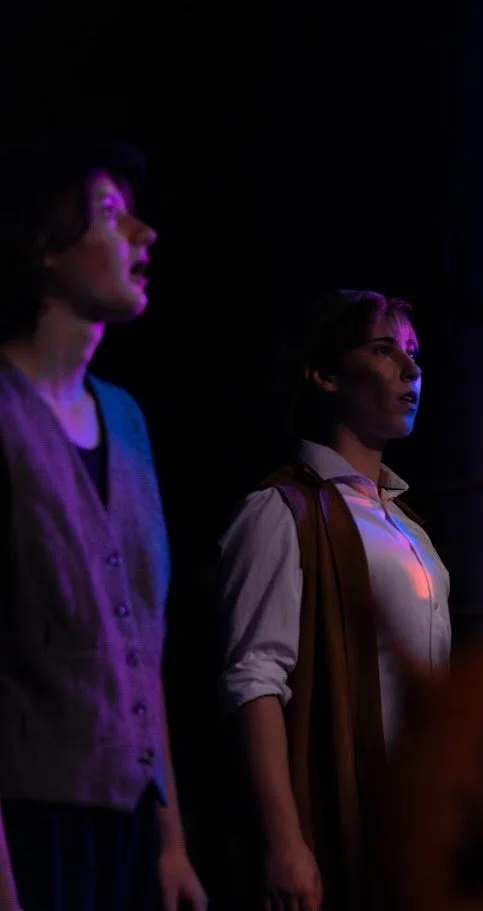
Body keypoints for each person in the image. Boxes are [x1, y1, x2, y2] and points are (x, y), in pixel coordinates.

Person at [0, 140, 207, 911]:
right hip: (34, 825)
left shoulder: (125, 417)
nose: (142, 236)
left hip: (127, 825)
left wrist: (173, 840)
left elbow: (141, 648)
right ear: (46, 248)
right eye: (112, 215)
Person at [213, 289, 451, 911]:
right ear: (324, 373)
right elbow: (254, 679)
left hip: (415, 827)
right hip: (341, 820)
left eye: (414, 352)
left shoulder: (413, 530)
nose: (411, 368)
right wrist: (285, 841)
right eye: (384, 348)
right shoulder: (281, 511)